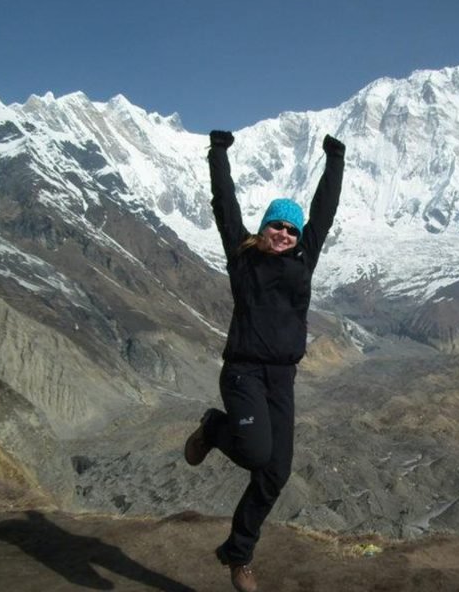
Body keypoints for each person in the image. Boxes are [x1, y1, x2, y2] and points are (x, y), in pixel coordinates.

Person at [184, 129, 345, 592]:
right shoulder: (243, 256)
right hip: (243, 371)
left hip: (281, 378)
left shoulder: (304, 258)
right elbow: (224, 204)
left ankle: (238, 553)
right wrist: (218, 153)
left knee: (276, 472)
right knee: (255, 452)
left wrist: (335, 159)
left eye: (292, 230)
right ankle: (214, 428)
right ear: (264, 226)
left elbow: (325, 211)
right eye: (278, 226)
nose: (286, 234)